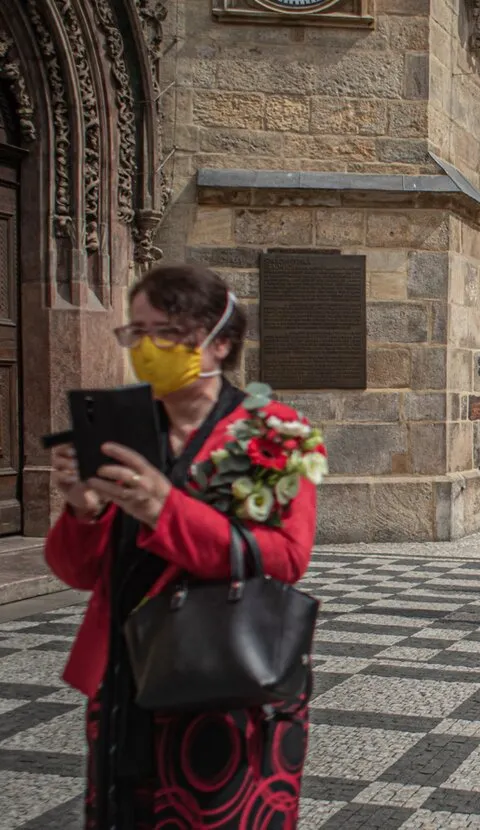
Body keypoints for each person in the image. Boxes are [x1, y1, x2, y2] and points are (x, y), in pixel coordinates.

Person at [43, 263, 321, 828]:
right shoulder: (121, 427)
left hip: (229, 677)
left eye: (164, 334)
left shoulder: (273, 430)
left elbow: (287, 559)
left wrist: (161, 509)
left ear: (219, 344)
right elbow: (77, 570)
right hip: (127, 673)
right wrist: (80, 507)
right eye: (135, 333)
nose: (145, 349)